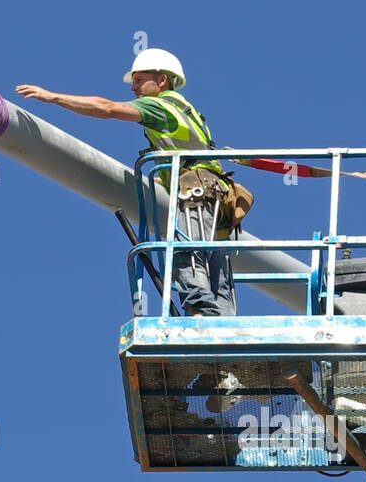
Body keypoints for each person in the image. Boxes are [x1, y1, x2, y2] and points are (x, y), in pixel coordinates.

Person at [16, 49, 241, 318]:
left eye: (139, 80)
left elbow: (108, 108)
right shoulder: (185, 108)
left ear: (161, 81)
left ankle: (202, 314)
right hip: (216, 197)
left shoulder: (158, 106)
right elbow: (190, 155)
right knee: (215, 262)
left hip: (196, 195)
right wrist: (163, 177)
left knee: (187, 254)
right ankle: (225, 320)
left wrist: (54, 97)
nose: (133, 87)